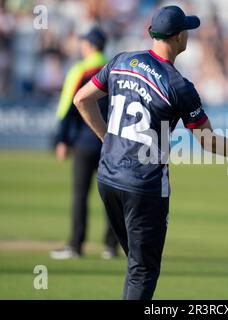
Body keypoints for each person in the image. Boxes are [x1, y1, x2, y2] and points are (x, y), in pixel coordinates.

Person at [73, 6, 228, 299]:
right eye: (186, 29)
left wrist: (108, 139)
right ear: (178, 37)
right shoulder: (178, 85)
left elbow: (81, 99)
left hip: (108, 178)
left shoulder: (122, 61)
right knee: (143, 270)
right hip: (144, 187)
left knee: (136, 265)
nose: (188, 34)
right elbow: (208, 141)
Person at [50, 27, 119, 260]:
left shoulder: (80, 70)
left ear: (89, 46)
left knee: (80, 195)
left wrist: (61, 139)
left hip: (83, 142)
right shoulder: (115, 69)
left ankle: (75, 246)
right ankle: (111, 247)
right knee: (111, 196)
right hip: (111, 143)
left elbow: (67, 107)